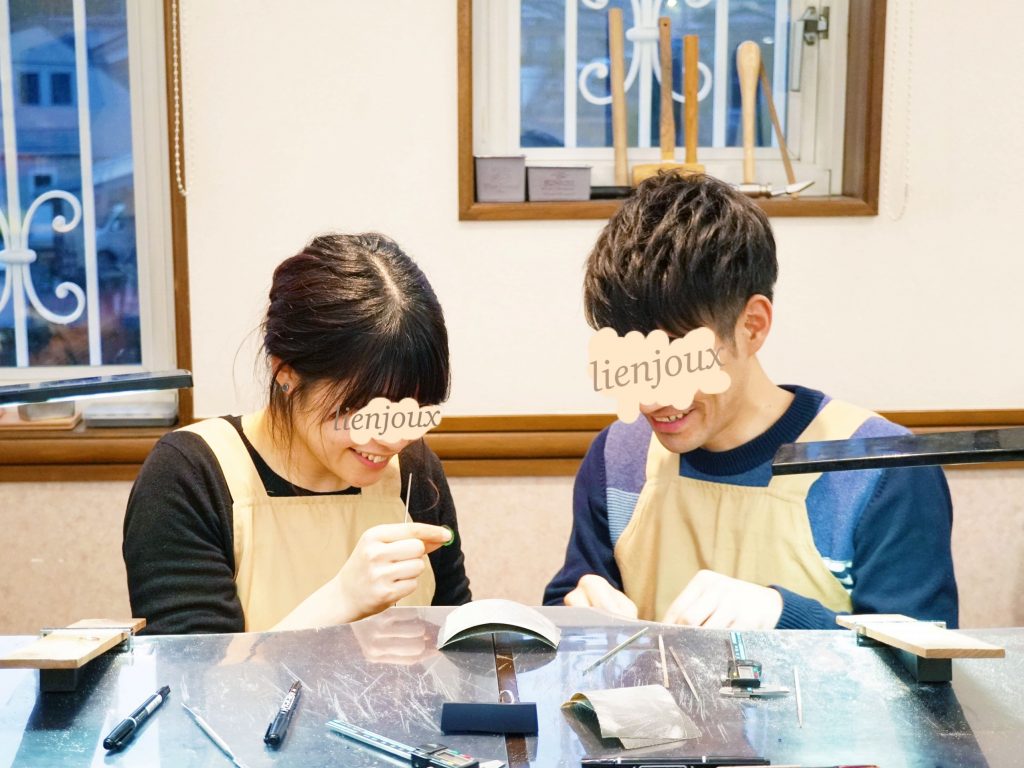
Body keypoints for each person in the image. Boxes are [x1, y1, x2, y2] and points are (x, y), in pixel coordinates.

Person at [543, 173, 958, 630]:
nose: (650, 399)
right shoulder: (617, 457)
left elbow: (925, 663)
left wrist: (786, 618)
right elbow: (568, 601)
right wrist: (576, 613)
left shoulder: (883, 470)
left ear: (753, 326)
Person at [123, 233, 470, 634]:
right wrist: (341, 600)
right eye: (362, 410)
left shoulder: (413, 470)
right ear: (285, 374)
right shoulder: (189, 475)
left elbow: (455, 637)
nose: (392, 440)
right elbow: (192, 670)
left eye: (412, 408)